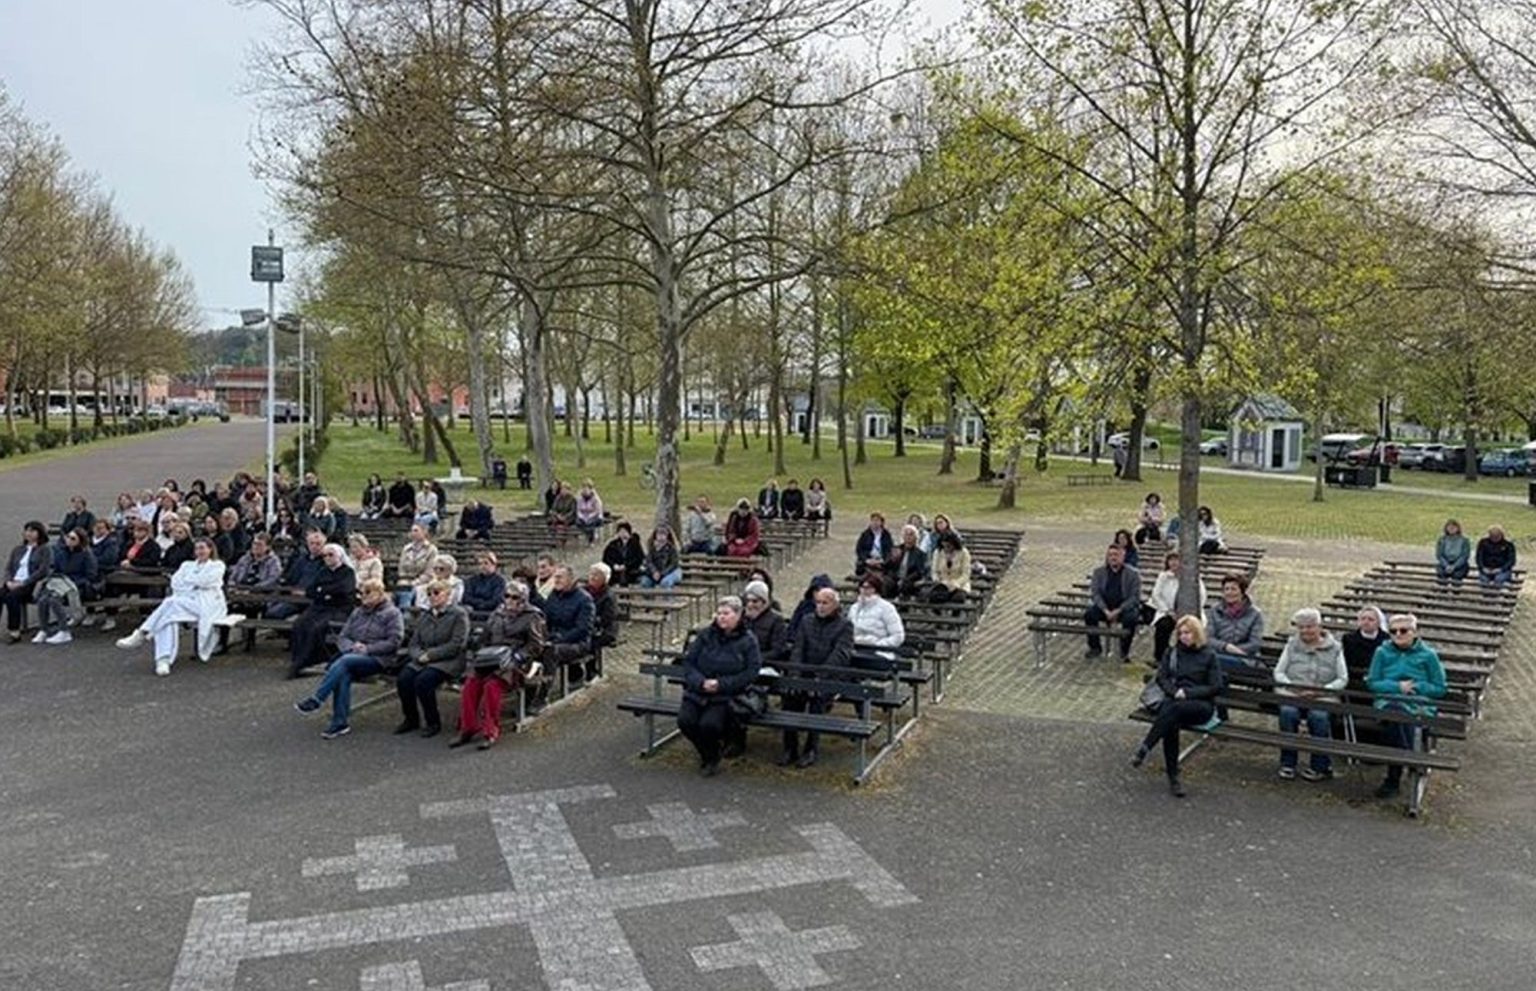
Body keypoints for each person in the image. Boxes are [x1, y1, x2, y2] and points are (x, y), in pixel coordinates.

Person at [293, 579, 405, 740]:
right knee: (343, 673)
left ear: (380, 594)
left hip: (378, 659)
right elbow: (343, 636)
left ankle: (317, 699)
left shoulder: (392, 613)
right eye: (362, 593)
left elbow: (394, 642)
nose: (363, 596)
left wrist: (367, 649)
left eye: (368, 592)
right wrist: (352, 647)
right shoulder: (357, 612)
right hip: (352, 655)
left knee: (344, 662)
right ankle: (340, 723)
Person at [1130, 614, 1223, 797]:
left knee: (1171, 710)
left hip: (1200, 706)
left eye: (1187, 633)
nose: (1183, 637)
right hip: (1175, 701)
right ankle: (1173, 778)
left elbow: (1215, 687)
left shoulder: (1209, 655)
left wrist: (1188, 693)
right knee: (1171, 720)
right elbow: (1162, 678)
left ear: (1196, 633)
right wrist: (1174, 692)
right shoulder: (1172, 652)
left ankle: (1145, 747)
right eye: (1180, 633)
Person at [114, 538, 237, 675]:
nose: (200, 551)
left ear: (210, 549)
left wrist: (189, 582)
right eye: (197, 548)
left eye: (203, 548)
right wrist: (193, 584)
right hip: (184, 602)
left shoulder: (217, 565)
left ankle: (142, 633)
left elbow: (206, 581)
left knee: (170, 603)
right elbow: (176, 582)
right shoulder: (187, 565)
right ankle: (163, 660)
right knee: (168, 618)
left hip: (208, 604)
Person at [452, 580, 547, 749]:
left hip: (514, 662)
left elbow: (536, 645)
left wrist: (518, 656)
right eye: (507, 596)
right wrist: (478, 647)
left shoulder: (532, 616)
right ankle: (468, 727)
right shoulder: (497, 613)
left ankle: (490, 731)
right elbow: (485, 637)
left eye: (514, 597)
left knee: (492, 687)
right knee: (471, 684)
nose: (510, 600)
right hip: (491, 658)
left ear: (523, 598)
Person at [676, 596, 763, 777]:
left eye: (726, 613)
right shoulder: (705, 635)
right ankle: (709, 754)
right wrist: (701, 682)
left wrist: (722, 684)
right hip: (698, 690)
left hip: (726, 695)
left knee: (710, 725)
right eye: (719, 613)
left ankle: (711, 757)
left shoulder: (748, 640)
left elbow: (751, 672)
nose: (721, 617)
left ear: (738, 615)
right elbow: (689, 663)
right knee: (685, 721)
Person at [1366, 613, 1447, 799]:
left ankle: (1393, 778)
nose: (1398, 634)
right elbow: (1373, 682)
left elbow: (1440, 688)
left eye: (1403, 630)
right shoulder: (1381, 652)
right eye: (1393, 631)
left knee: (1399, 721)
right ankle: (1411, 757)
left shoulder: (1428, 655)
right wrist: (1397, 687)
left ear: (1415, 632)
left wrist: (1417, 687)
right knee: (1395, 713)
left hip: (1418, 704)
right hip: (1389, 702)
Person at [781, 586, 853, 768]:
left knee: (817, 700)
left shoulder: (845, 625)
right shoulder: (807, 621)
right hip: (804, 673)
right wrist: (795, 674)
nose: (820, 606)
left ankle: (810, 748)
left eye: (825, 603)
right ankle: (790, 747)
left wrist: (820, 677)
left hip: (828, 678)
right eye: (818, 602)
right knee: (790, 697)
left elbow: (840, 655)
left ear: (835, 604)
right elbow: (798, 649)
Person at [1273, 607, 1348, 781]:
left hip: (1323, 695)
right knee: (1288, 713)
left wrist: (1322, 690)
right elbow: (1279, 672)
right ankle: (1288, 763)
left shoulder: (1335, 648)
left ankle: (1319, 766)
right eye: (1301, 627)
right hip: (1293, 693)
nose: (1305, 631)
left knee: (1318, 717)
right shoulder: (1291, 645)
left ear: (1319, 627)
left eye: (1310, 626)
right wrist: (1292, 686)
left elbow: (1342, 678)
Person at [393, 580, 470, 738]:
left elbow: (457, 644)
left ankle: (433, 722)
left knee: (424, 681)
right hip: (423, 659)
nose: (432, 597)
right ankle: (411, 719)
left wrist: (430, 655)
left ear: (447, 595)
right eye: (429, 594)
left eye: (436, 593)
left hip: (448, 660)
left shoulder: (459, 615)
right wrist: (418, 655)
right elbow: (414, 643)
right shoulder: (425, 616)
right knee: (404, 679)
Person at [288, 543, 358, 679]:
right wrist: (326, 592)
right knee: (299, 624)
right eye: (324, 555)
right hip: (319, 607)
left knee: (317, 628)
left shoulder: (347, 572)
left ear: (339, 556)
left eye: (331, 555)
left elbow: (344, 590)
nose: (327, 558)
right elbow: (311, 590)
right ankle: (297, 661)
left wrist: (323, 590)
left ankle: (311, 661)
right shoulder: (322, 571)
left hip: (339, 608)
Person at [34, 527, 97, 644]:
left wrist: (71, 582)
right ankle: (44, 630)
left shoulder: (86, 554)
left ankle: (64, 631)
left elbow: (91, 575)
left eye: (73, 538)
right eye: (68, 537)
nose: (69, 540)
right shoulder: (61, 551)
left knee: (54, 599)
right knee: (43, 599)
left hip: (77, 586)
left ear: (80, 541)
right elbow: (55, 568)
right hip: (60, 583)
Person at [1147, 552, 1207, 666]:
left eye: (1176, 560)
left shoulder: (1193, 577)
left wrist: (1188, 613)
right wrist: (1168, 611)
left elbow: (1202, 597)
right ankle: (1160, 658)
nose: (1174, 563)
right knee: (1163, 626)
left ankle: (1189, 658)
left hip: (1189, 613)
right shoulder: (1163, 577)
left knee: (1190, 628)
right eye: (1171, 560)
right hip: (1168, 612)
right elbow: (1156, 595)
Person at [1085, 543, 1141, 662]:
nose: (1113, 558)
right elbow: (1095, 594)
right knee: (1089, 614)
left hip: (1123, 608)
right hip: (1105, 607)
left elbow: (1134, 597)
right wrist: (1105, 610)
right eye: (1110, 555)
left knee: (1131, 618)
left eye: (1116, 555)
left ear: (1123, 556)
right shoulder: (1098, 572)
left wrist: (1119, 610)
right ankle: (1095, 647)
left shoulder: (1133, 574)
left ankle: (1124, 651)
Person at [543, 564, 597, 684]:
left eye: (560, 577)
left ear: (571, 579)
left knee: (550, 651)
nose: (556, 580)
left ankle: (544, 689)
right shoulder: (553, 596)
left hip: (578, 642)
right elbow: (546, 619)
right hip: (554, 638)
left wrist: (559, 640)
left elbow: (583, 629)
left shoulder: (584, 600)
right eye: (555, 577)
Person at [1205, 572, 1264, 675]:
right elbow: (1209, 638)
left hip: (1244, 658)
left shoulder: (1255, 614)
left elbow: (1255, 643)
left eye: (1233, 589)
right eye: (1226, 589)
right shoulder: (1214, 610)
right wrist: (1226, 647)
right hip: (1218, 654)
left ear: (1242, 591)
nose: (1229, 592)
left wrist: (1235, 650)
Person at [3, 521, 53, 642]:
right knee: (2, 594)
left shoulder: (44, 549)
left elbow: (43, 570)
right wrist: (8, 581)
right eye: (27, 530)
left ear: (39, 533)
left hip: (30, 584)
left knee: (11, 597)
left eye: (32, 531)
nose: (28, 533)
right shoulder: (18, 549)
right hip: (14, 581)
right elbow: (8, 568)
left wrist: (23, 583)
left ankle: (14, 631)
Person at [846, 574, 905, 667]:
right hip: (856, 648)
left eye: (869, 588)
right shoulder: (854, 608)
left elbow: (898, 636)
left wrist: (877, 644)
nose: (864, 591)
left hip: (880, 652)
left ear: (876, 589)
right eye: (862, 587)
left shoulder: (887, 608)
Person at [1341, 605, 1388, 689]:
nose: (1366, 622)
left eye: (1371, 619)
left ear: (1378, 622)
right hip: (1354, 679)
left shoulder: (1386, 640)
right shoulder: (1349, 639)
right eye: (1363, 619)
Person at [742, 579, 788, 661]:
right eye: (747, 601)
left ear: (764, 602)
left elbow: (778, 650)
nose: (750, 605)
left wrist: (755, 658)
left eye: (755, 601)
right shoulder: (741, 618)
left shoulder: (776, 620)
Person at [395, 524, 439, 608]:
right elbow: (401, 568)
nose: (413, 533)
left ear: (424, 532)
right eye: (412, 531)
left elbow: (429, 572)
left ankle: (405, 611)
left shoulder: (432, 550)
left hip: (424, 582)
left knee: (408, 592)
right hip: (405, 580)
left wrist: (415, 582)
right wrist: (405, 580)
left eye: (416, 530)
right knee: (401, 588)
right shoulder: (406, 548)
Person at [928, 531, 972, 603]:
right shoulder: (938, 552)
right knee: (935, 598)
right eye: (944, 546)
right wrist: (938, 580)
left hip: (959, 585)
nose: (946, 548)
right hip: (942, 584)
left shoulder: (964, 553)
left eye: (948, 546)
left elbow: (966, 574)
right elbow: (934, 571)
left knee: (958, 599)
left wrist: (956, 583)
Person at [584, 562, 619, 651]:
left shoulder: (608, 596)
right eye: (591, 574)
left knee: (583, 642)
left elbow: (607, 618)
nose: (592, 577)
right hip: (585, 627)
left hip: (603, 630)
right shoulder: (583, 591)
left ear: (605, 578)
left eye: (596, 575)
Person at [887, 525, 929, 599]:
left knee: (906, 585)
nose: (908, 537)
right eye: (906, 534)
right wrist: (892, 559)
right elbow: (887, 566)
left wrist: (905, 579)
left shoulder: (920, 554)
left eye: (911, 535)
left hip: (910, 579)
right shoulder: (896, 549)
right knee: (887, 583)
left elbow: (920, 571)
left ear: (916, 538)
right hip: (895, 578)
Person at [602, 521, 645, 587]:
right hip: (615, 569)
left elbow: (639, 558)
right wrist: (614, 565)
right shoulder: (613, 545)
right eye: (620, 532)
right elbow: (606, 558)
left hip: (631, 570)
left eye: (624, 531)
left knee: (624, 574)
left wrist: (626, 566)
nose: (622, 534)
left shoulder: (635, 544)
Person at [1435, 519, 1470, 583]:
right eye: (1449, 527)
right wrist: (1446, 565)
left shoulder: (1464, 540)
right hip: (1445, 564)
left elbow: (1464, 556)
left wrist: (1454, 566)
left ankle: (1456, 588)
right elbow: (1439, 555)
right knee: (1441, 575)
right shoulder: (1442, 540)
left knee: (1457, 576)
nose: (1451, 529)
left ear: (1458, 528)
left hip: (1460, 565)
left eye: (1454, 527)